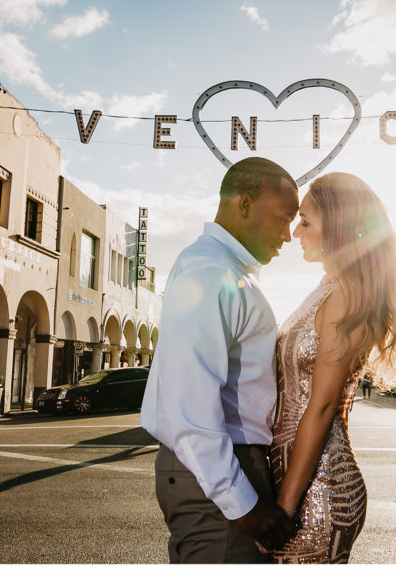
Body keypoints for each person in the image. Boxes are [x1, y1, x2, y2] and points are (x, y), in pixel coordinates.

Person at [140, 157, 299, 563]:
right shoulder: (211, 273)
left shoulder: (221, 267)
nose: (289, 235)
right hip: (220, 473)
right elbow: (189, 405)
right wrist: (241, 502)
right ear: (244, 204)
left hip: (222, 469)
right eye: (284, 218)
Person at [270, 172, 396, 563]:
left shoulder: (347, 294)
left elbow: (321, 408)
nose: (295, 231)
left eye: (305, 221)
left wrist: (284, 509)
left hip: (319, 490)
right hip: (296, 479)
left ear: (336, 228)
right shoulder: (326, 286)